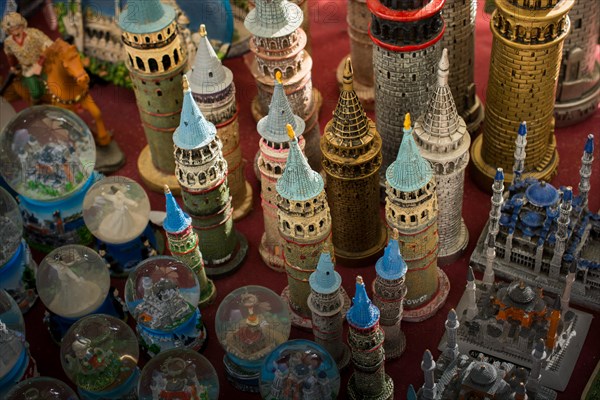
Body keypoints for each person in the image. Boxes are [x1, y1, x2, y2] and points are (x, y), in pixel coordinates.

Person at [2, 12, 53, 103]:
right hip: (27, 69)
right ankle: (35, 107)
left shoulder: (33, 33)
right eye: (12, 30)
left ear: (22, 25)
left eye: (18, 28)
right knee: (36, 93)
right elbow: (10, 55)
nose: (16, 32)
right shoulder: (8, 42)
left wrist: (40, 63)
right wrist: (12, 66)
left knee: (55, 83)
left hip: (44, 63)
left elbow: (49, 45)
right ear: (8, 31)